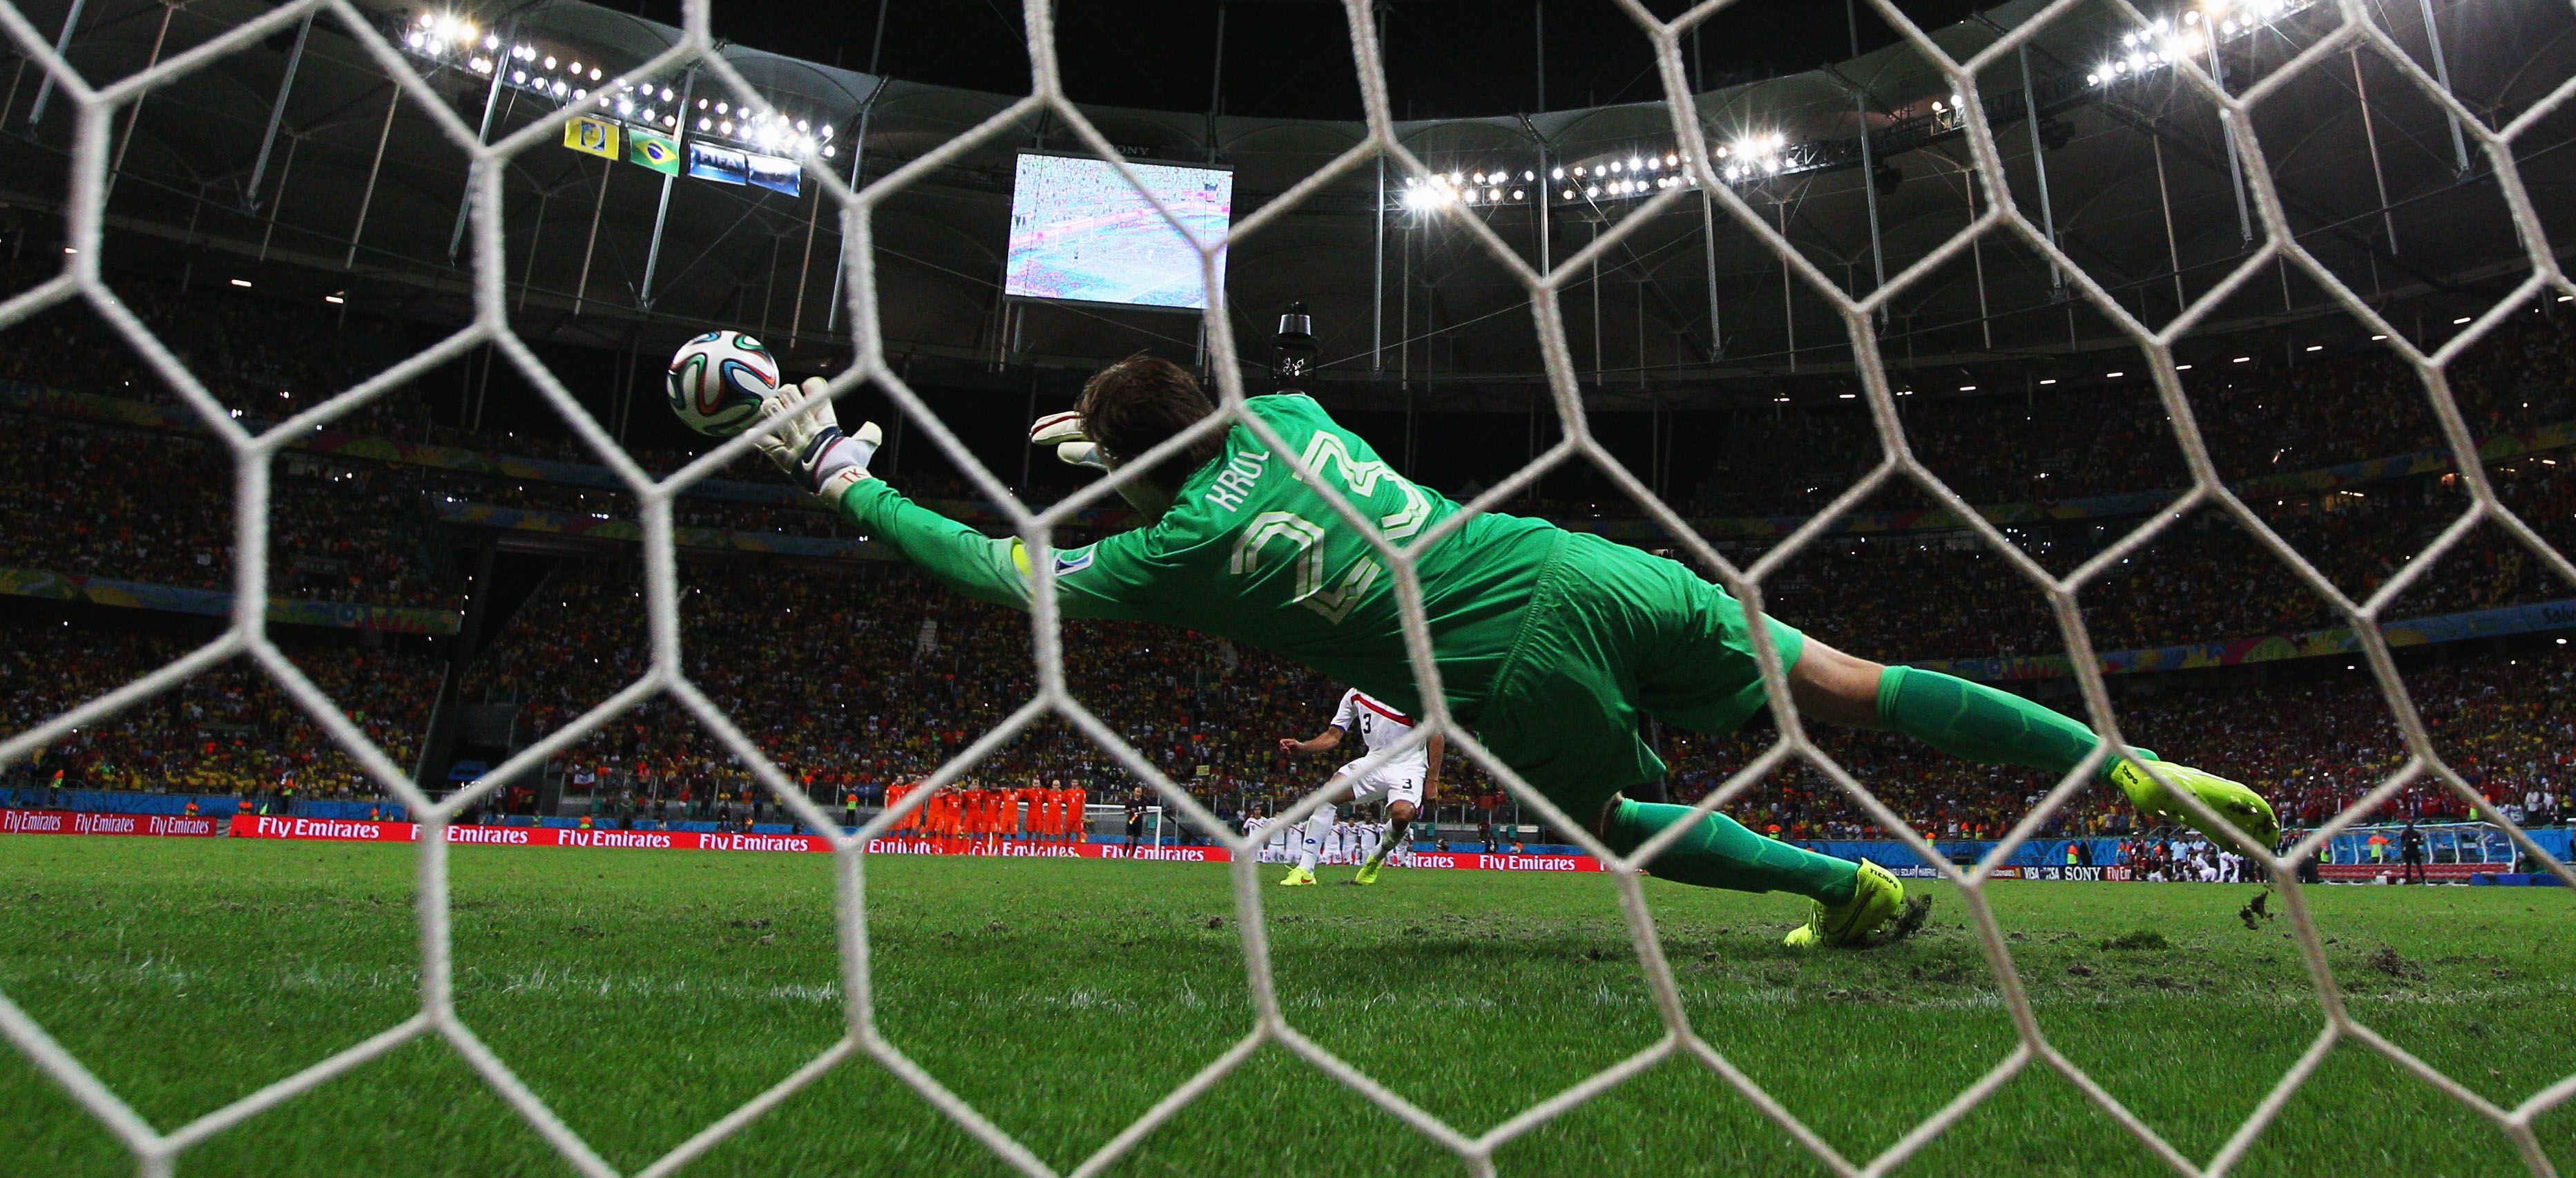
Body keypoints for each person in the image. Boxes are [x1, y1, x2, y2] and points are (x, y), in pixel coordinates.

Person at [751, 358, 2280, 950]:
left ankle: (1856, 893)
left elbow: (994, 564)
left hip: (1516, 661)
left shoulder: (1166, 557)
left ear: (1134, 471)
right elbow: (1208, 427)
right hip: (1573, 558)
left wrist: (844, 477)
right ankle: (2133, 769)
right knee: (1847, 682)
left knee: (1613, 826)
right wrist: (1131, 428)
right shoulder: (1287, 416)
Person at [1278, 685, 1442, 887]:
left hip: (1408, 766)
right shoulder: (1355, 694)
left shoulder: (1410, 691)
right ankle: (1305, 870)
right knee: (1329, 793)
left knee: (1402, 816)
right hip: (1374, 761)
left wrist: (1432, 781)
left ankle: (1377, 856)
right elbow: (1332, 737)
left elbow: (1436, 736)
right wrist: (1303, 747)